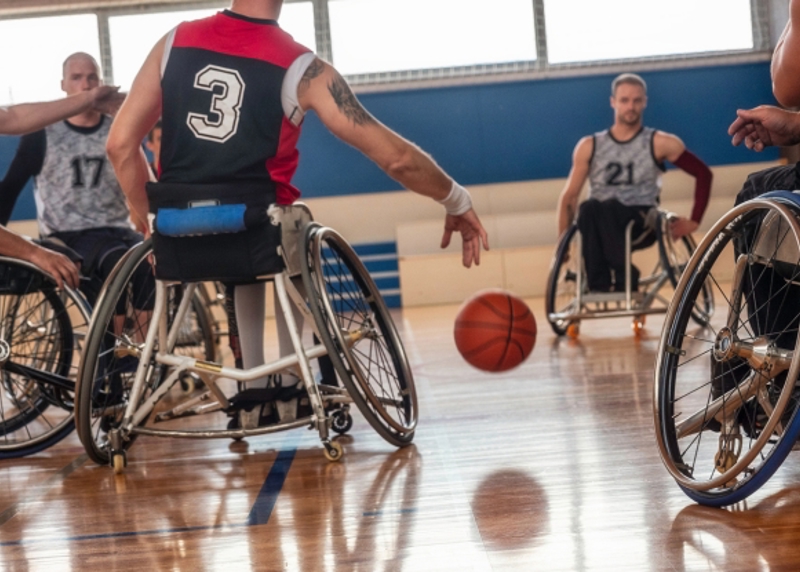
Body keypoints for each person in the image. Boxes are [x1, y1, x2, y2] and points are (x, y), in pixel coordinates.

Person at [106, 0, 488, 428]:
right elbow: (396, 159)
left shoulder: (173, 42)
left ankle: (251, 392)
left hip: (179, 232)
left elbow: (120, 146)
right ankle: (291, 380)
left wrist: (152, 224)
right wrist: (455, 199)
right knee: (288, 228)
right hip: (260, 228)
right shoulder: (303, 67)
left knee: (259, 241)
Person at [0, 52, 142, 303]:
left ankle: (146, 342)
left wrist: (150, 222)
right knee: (114, 264)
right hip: (69, 233)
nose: (85, 84)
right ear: (63, 84)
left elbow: (139, 179)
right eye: (76, 78)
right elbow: (10, 186)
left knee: (146, 262)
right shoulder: (42, 136)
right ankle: (111, 342)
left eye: (91, 78)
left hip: (118, 229)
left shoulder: (117, 127)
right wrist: (28, 250)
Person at [557, 73, 713, 293]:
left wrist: (695, 220)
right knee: (588, 208)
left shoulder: (660, 142)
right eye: (624, 100)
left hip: (641, 219)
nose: (631, 106)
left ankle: (624, 276)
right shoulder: (590, 145)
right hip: (597, 219)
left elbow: (703, 173)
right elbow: (569, 197)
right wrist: (562, 243)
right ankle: (599, 283)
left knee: (605, 207)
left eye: (636, 100)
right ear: (613, 102)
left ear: (645, 102)